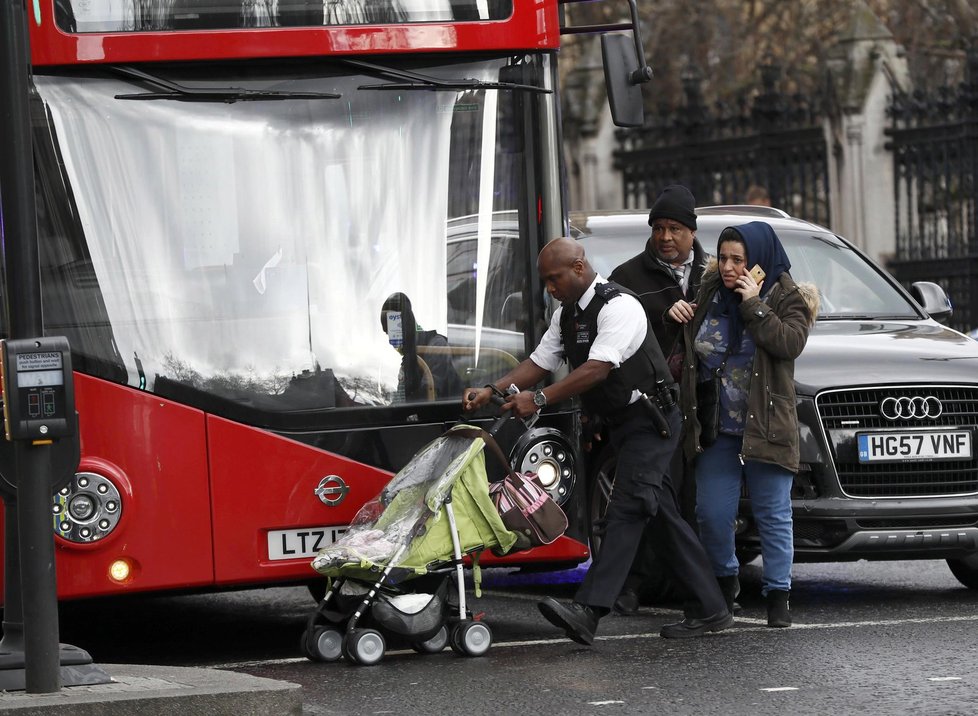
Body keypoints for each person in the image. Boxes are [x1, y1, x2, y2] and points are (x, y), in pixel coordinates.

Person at [463, 237, 731, 644]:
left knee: (628, 506)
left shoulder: (619, 306)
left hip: (652, 420)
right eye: (545, 282)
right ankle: (712, 608)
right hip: (622, 422)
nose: (550, 289)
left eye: (555, 279)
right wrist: (493, 389)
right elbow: (540, 361)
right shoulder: (567, 314)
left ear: (579, 267)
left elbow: (597, 369)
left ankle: (590, 609)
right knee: (658, 513)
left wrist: (537, 398)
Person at [667, 221, 818, 627]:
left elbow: (789, 343)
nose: (729, 267)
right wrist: (680, 317)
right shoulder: (711, 290)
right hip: (716, 425)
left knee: (773, 513)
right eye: (724, 258)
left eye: (739, 260)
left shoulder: (788, 297)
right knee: (712, 514)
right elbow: (695, 349)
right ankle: (725, 584)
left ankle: (778, 596)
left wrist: (754, 304)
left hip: (766, 424)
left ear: (760, 262)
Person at [608, 184, 708, 614]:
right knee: (650, 496)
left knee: (690, 499)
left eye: (675, 229)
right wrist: (662, 320)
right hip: (652, 406)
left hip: (704, 403)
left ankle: (693, 587)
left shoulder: (713, 271)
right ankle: (633, 584)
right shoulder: (627, 278)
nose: (665, 237)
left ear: (691, 231)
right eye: (659, 228)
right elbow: (615, 341)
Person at [380, 293, 463, 402]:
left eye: (391, 333)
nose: (391, 342)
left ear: (405, 326)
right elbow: (401, 400)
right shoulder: (410, 359)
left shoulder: (436, 347)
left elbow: (427, 395)